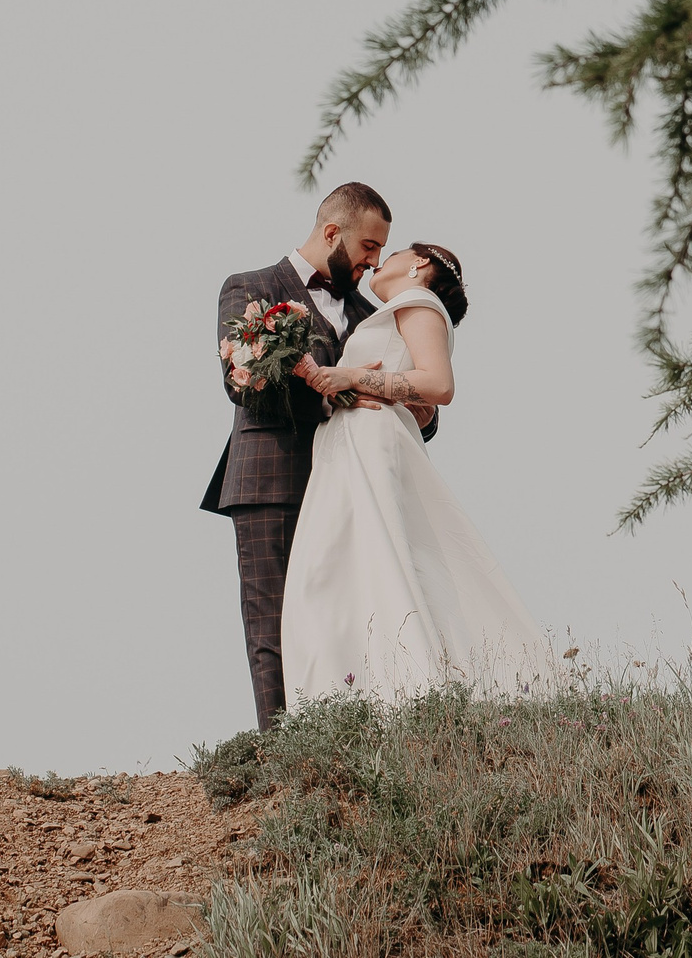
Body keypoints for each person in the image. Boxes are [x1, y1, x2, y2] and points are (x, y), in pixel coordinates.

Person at [200, 183, 440, 730]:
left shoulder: (374, 313)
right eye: (369, 247)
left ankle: (347, 753)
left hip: (356, 487)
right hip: (270, 479)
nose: (374, 262)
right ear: (333, 232)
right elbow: (243, 385)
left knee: (350, 621)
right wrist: (329, 387)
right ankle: (284, 760)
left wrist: (414, 409)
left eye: (381, 251)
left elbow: (418, 397)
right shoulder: (249, 287)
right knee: (272, 625)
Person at [277, 241, 551, 704]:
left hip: (369, 443)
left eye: (394, 251)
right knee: (350, 569)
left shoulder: (419, 302)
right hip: (350, 444)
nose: (379, 261)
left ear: (419, 263)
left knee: (363, 566)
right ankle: (361, 698)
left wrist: (352, 378)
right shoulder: (399, 309)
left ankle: (404, 695)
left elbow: (439, 385)